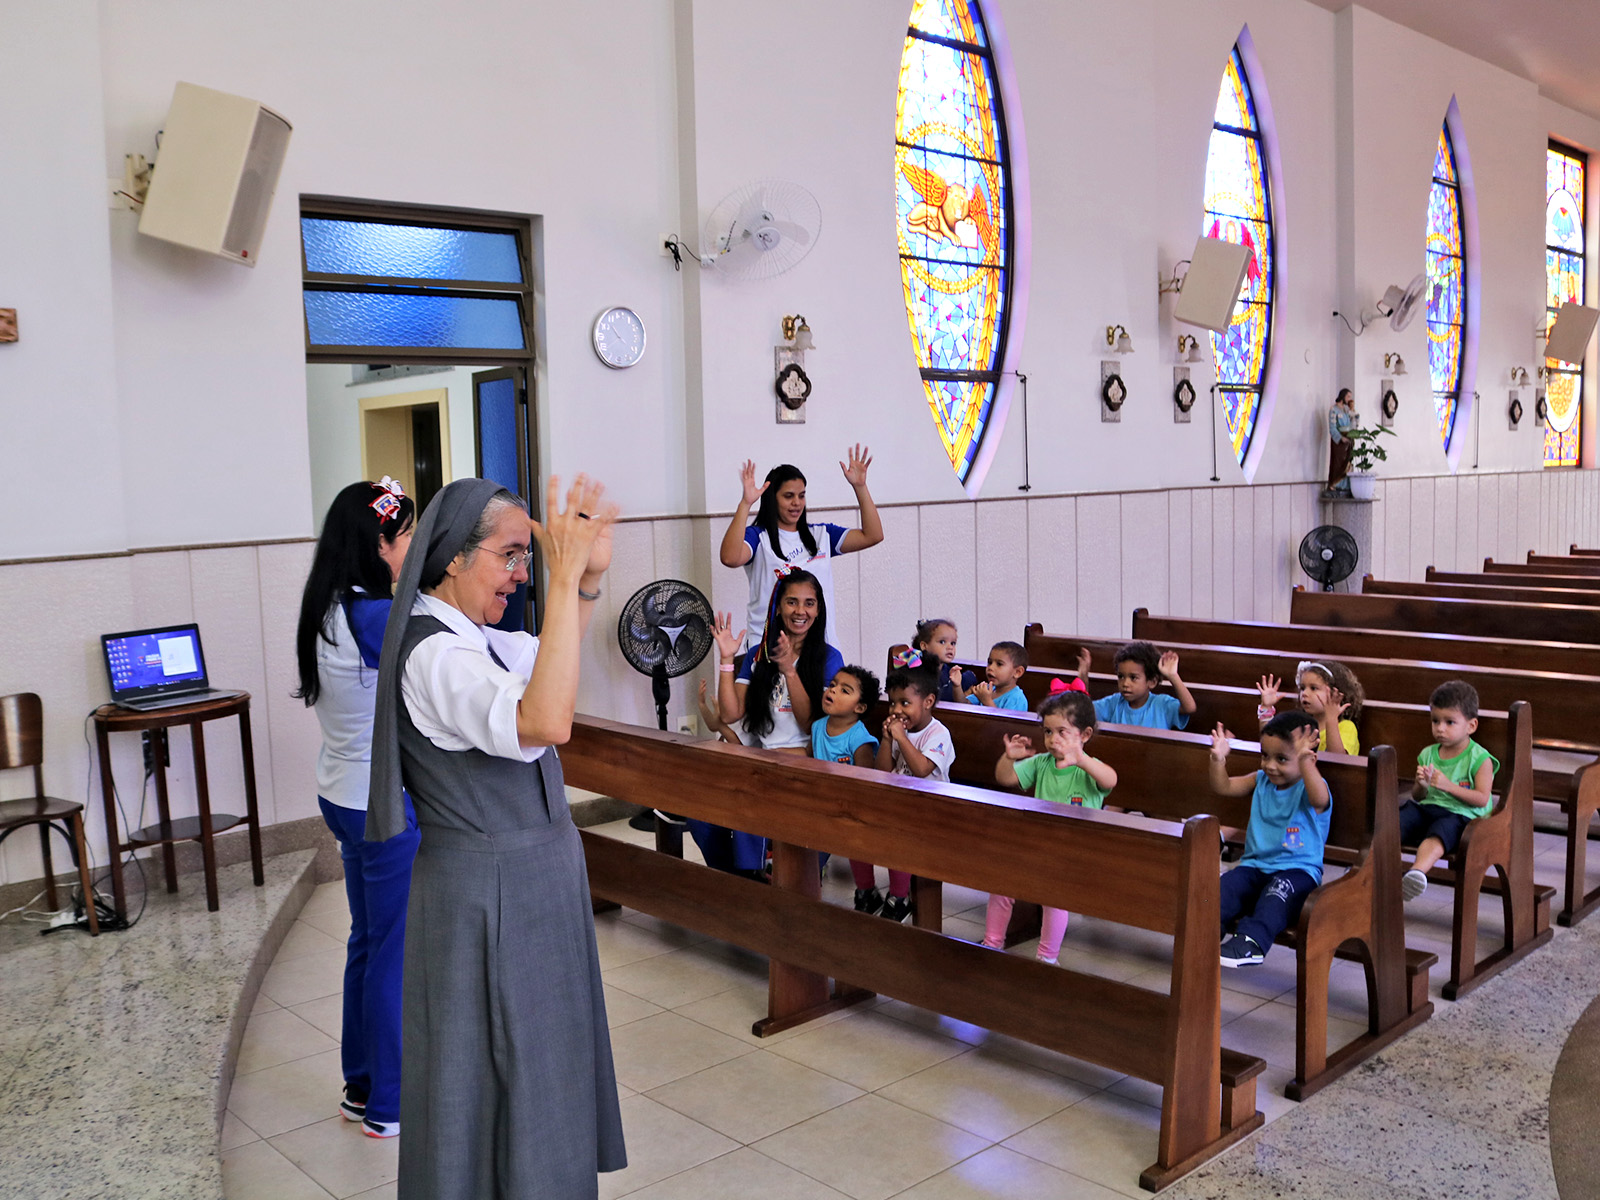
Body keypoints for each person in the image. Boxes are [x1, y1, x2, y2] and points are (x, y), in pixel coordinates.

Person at [365, 475, 626, 1199]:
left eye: (526, 557)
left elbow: (549, 661)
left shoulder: (472, 636)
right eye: (509, 556)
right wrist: (564, 575)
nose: (520, 574)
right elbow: (545, 721)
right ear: (453, 556)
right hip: (489, 893)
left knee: (537, 1062)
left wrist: (586, 578)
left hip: (527, 885)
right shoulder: (435, 655)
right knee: (494, 1067)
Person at [293, 478, 417, 1138]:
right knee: (393, 951)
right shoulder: (372, 615)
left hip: (341, 790)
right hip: (381, 803)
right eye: (406, 536)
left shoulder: (328, 606)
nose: (413, 545)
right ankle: (390, 1105)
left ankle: (361, 1085)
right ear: (378, 545)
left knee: (367, 942)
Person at [701, 570, 844, 876]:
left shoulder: (829, 659)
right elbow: (730, 714)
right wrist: (726, 659)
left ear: (818, 610)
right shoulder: (758, 655)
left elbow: (811, 726)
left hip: (807, 763)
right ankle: (741, 881)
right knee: (701, 815)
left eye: (809, 603)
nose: (800, 611)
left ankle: (757, 877)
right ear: (778, 607)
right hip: (763, 760)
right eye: (792, 602)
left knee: (751, 802)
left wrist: (790, 670)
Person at [982, 691, 1117, 965]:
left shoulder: (1087, 768)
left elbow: (1110, 780)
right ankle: (992, 944)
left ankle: (1047, 957)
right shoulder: (1042, 762)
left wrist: (1082, 760)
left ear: (1085, 735)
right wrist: (1009, 757)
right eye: (1047, 731)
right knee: (1001, 884)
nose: (1053, 739)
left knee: (1053, 896)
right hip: (1039, 844)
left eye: (1062, 732)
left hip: (1073, 851)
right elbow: (1004, 777)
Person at [718, 447, 883, 655]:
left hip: (820, 648)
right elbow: (729, 557)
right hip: (770, 650)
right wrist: (745, 504)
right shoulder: (758, 537)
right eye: (788, 496)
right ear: (772, 499)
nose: (797, 503)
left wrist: (860, 487)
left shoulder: (822, 534)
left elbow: (873, 535)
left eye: (801, 496)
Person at [1208, 711, 1331, 967]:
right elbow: (1224, 787)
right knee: (1222, 888)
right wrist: (1218, 760)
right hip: (1254, 866)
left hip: (1298, 872)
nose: (1270, 765)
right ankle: (1205, 931)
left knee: (1276, 897)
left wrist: (1306, 762)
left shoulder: (1311, 787)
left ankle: (1252, 942)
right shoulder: (1260, 780)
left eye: (1282, 759)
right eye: (1265, 755)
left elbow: (1319, 800)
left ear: (1309, 758)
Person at [856, 667, 957, 923]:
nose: (896, 710)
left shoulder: (938, 734)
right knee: (856, 827)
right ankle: (866, 891)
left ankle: (899, 898)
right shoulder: (899, 732)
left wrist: (901, 738)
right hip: (900, 803)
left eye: (904, 703)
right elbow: (882, 772)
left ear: (928, 701)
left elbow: (922, 770)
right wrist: (887, 740)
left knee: (898, 834)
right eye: (892, 703)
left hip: (930, 809)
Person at [1400, 680, 1499, 901]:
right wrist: (1421, 785)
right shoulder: (1428, 754)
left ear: (1471, 726)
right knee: (1398, 818)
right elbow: (1418, 797)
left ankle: (1417, 872)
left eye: (1449, 722)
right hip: (1429, 809)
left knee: (1441, 831)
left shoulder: (1480, 759)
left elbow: (1482, 799)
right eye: (1435, 721)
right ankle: (1369, 867)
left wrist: (1449, 786)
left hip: (1462, 816)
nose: (1440, 728)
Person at [1079, 641, 1195, 729]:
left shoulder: (1161, 704)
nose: (1125, 683)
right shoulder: (1114, 703)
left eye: (1133, 678)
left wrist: (1173, 676)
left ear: (1152, 682)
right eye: (1121, 676)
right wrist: (1083, 676)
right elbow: (1083, 710)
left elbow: (1189, 708)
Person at [1257, 659, 1363, 754]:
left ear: (1336, 693)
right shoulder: (1300, 723)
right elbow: (1270, 744)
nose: (1304, 693)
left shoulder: (1346, 727)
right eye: (1302, 688)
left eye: (1313, 688)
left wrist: (1331, 719)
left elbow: (1337, 760)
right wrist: (1267, 708)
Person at [910, 617, 977, 703]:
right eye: (942, 642)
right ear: (924, 646)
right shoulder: (918, 672)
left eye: (953, 643)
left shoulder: (947, 670)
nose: (950, 647)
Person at [967, 641, 1030, 711]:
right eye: (990, 662)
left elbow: (1002, 718)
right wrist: (958, 686)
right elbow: (964, 704)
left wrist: (986, 701)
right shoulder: (988, 689)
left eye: (999, 664)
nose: (991, 667)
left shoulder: (1017, 699)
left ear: (1017, 672)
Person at [1326, 388, 1357, 497]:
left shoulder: (1346, 410)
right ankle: (1334, 484)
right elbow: (1332, 427)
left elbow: (1354, 424)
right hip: (1339, 441)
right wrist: (1340, 438)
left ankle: (1345, 485)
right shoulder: (1333, 410)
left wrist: (1353, 412)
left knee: (1347, 462)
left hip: (1348, 439)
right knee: (1338, 463)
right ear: (1342, 396)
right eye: (1348, 397)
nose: (1349, 399)